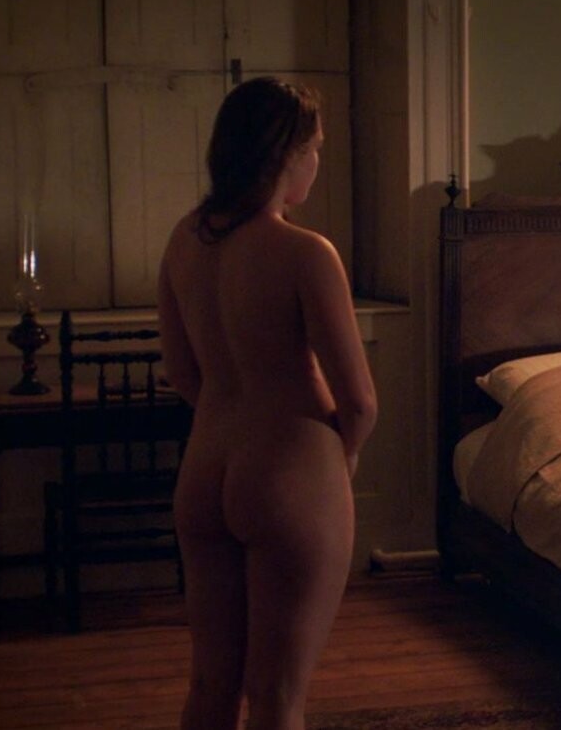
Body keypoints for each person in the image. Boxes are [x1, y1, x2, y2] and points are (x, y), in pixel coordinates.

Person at [159, 76, 377, 729]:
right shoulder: (305, 253)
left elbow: (182, 373)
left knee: (210, 685)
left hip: (206, 468)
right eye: (315, 148)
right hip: (290, 470)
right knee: (277, 696)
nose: (318, 161)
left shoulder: (184, 241)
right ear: (287, 154)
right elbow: (359, 401)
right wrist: (341, 456)